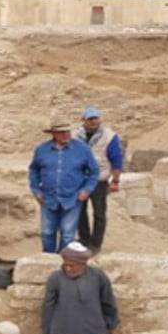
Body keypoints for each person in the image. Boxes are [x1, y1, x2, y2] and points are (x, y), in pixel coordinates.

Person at [28, 121, 99, 253]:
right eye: (61, 132)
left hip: (72, 198)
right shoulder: (42, 150)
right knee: (47, 233)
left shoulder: (82, 149)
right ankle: (48, 260)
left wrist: (86, 190)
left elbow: (94, 172)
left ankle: (64, 263)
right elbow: (34, 171)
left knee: (67, 234)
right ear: (53, 134)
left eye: (68, 131)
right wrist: (36, 191)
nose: (66, 134)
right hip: (48, 198)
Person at [41, 242, 118, 334]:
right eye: (66, 265)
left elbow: (108, 303)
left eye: (72, 266)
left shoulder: (97, 276)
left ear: (83, 264)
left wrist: (108, 326)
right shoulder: (56, 279)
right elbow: (48, 309)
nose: (68, 268)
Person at [72, 107, 124, 254]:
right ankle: (84, 239)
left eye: (96, 118)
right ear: (84, 120)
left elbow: (116, 159)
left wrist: (115, 181)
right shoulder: (74, 136)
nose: (94, 121)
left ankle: (95, 244)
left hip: (98, 180)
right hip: (79, 180)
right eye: (90, 118)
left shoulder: (109, 136)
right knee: (79, 212)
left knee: (99, 213)